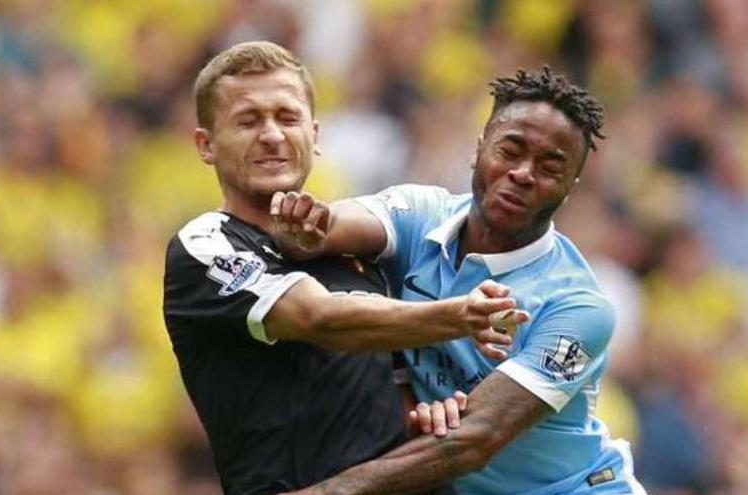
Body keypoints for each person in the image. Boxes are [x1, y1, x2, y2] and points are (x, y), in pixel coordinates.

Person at [161, 41, 527, 495]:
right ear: (206, 145)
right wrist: (459, 316)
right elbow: (318, 318)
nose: (272, 134)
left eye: (287, 117)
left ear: (315, 136)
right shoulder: (205, 245)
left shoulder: (359, 252)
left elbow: (399, 387)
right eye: (248, 120)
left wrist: (431, 411)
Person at [273, 67, 647, 494]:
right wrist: (302, 229)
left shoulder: (579, 308)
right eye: (511, 150)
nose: (524, 173)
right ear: (479, 149)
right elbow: (327, 228)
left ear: (569, 187)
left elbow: (474, 440)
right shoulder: (418, 214)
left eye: (549, 166)